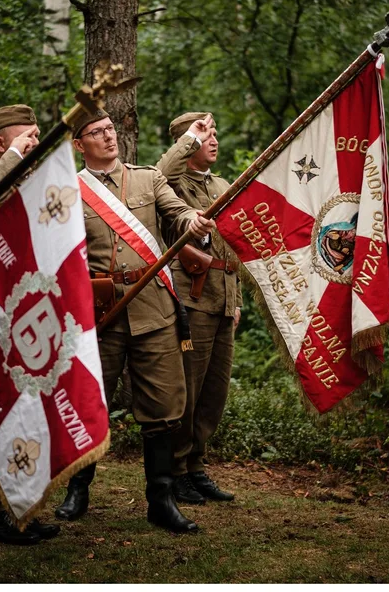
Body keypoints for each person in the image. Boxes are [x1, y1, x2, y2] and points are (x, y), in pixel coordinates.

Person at [55, 107, 215, 534]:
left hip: (154, 311)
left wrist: (193, 224)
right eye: (97, 132)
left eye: (110, 129)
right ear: (79, 143)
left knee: (163, 410)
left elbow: (177, 214)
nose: (109, 137)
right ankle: (78, 488)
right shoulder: (68, 190)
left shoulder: (148, 178)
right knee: (89, 403)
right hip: (97, 315)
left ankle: (160, 500)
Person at [0, 104, 61, 545]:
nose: (34, 145)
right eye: (26, 139)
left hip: (35, 319)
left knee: (29, 416)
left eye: (37, 138)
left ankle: (22, 505)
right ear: (1, 144)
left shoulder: (44, 186)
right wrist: (12, 161)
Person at [157, 112, 241, 505]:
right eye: (205, 135)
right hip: (192, 297)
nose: (214, 140)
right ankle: (175, 471)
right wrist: (189, 138)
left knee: (213, 391)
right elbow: (163, 169)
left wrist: (236, 301)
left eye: (215, 133)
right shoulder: (171, 182)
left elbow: (235, 247)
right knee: (187, 390)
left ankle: (196, 466)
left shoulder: (222, 184)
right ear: (187, 142)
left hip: (223, 297)